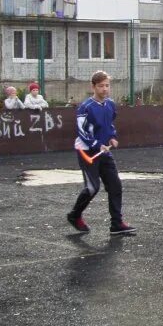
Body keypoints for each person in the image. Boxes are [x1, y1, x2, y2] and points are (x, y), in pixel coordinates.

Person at [67, 70, 136, 235]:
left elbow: (109, 124)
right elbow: (82, 132)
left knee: (115, 185)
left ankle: (116, 224)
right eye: (101, 86)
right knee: (92, 188)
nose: (105, 89)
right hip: (87, 152)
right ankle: (74, 215)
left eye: (107, 85)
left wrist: (112, 137)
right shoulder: (86, 107)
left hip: (103, 151)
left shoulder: (110, 104)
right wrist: (97, 144)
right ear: (93, 87)